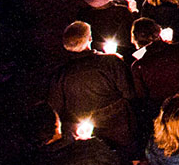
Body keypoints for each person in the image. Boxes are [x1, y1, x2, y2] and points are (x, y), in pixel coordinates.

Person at [48, 21, 136, 151]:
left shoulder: (60, 74)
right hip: (118, 130)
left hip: (82, 137)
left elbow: (55, 108)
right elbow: (130, 94)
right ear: (90, 38)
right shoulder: (111, 62)